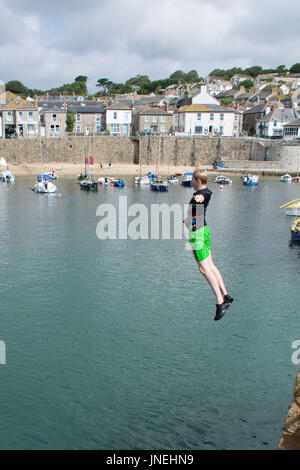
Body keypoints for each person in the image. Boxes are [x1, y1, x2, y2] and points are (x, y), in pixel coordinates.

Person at [184, 169, 233, 321]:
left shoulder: (201, 195)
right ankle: (226, 295)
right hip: (203, 230)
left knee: (204, 269)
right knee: (210, 265)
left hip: (198, 234)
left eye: (192, 180)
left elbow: (202, 197)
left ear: (198, 181)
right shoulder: (207, 192)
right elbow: (206, 196)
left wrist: (199, 198)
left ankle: (220, 302)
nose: (191, 182)